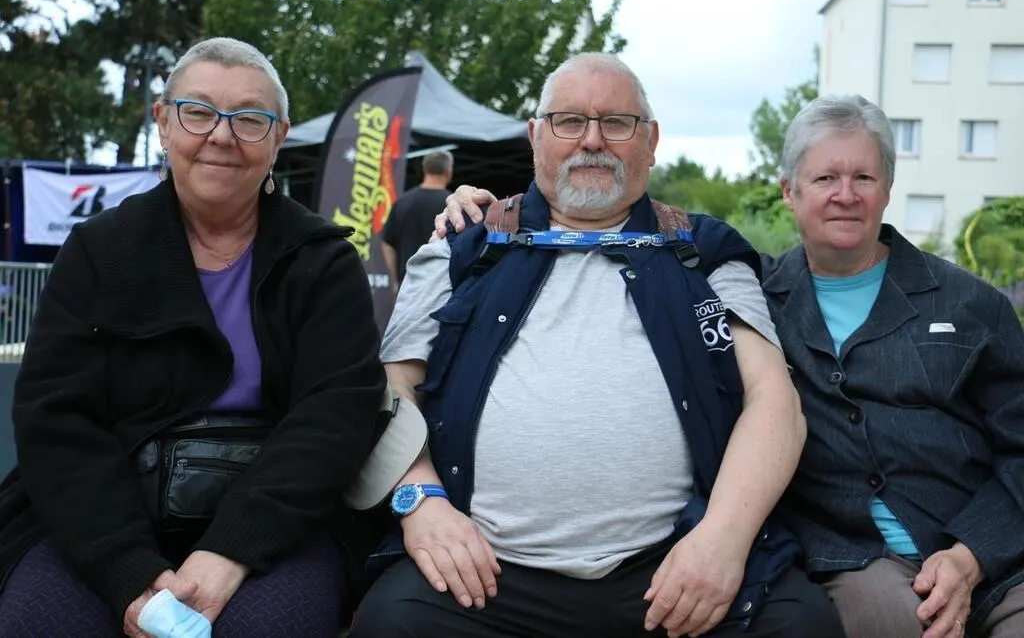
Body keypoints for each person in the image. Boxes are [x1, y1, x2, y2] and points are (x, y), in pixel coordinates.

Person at [435, 94, 1024, 638]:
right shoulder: (753, 296)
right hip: (855, 558)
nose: (845, 194)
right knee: (897, 623)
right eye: (825, 178)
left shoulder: (971, 306)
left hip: (989, 548)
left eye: (863, 178)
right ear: (789, 191)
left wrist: (971, 553)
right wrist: (482, 208)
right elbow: (639, 235)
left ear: (887, 189)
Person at [349, 53, 845, 638]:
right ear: (535, 136)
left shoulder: (706, 252)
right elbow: (391, 388)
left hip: (675, 563)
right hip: (485, 568)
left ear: (651, 141)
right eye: (568, 121)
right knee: (389, 624)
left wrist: (723, 540)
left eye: (616, 123)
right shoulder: (462, 246)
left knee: (803, 626)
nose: (592, 141)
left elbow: (775, 402)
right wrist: (421, 501)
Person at [0, 37, 396, 638]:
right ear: (163, 122)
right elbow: (55, 419)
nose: (221, 135)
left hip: (277, 515)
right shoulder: (98, 251)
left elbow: (333, 419)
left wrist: (231, 549)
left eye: (250, 119)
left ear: (279, 138)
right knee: (39, 624)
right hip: (103, 515)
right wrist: (127, 567)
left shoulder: (323, 262)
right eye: (199, 112)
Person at [382, 150, 454, 294]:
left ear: (424, 170)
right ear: (448, 172)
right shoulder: (452, 205)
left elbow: (387, 244)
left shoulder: (402, 202)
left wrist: (395, 280)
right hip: (441, 288)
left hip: (407, 285)